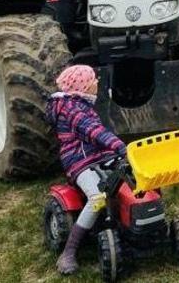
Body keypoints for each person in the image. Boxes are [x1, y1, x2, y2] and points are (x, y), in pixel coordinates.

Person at [45, 64, 127, 275]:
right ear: (82, 87)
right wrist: (119, 146)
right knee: (97, 197)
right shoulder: (72, 110)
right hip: (79, 162)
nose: (97, 83)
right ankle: (69, 252)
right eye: (93, 81)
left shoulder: (79, 103)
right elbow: (94, 132)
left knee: (128, 174)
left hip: (96, 155)